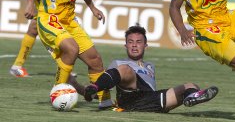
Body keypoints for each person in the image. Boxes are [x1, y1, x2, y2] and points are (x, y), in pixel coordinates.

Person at [24, 0, 113, 109]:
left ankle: (105, 102)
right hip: (49, 18)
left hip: (69, 21)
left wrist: (92, 7)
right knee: (72, 49)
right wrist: (30, 3)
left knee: (95, 60)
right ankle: (58, 91)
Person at [82, 25, 218, 112]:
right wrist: (92, 90)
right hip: (130, 99)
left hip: (151, 100)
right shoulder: (119, 63)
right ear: (125, 46)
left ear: (145, 46)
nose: (134, 45)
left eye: (138, 42)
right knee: (125, 69)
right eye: (130, 42)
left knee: (190, 85)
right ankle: (95, 86)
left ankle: (190, 99)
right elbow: (106, 86)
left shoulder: (150, 66)